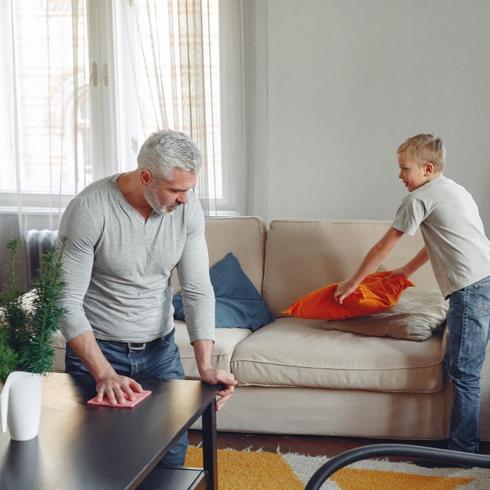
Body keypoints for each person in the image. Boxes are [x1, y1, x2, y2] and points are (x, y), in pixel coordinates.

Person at [57, 129, 237, 467]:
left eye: (189, 189)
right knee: (99, 462)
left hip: (160, 351)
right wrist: (104, 373)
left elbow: (197, 288)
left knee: (170, 455)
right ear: (145, 177)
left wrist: (205, 366)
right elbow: (66, 299)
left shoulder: (187, 208)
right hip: (99, 351)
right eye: (176, 190)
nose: (184, 198)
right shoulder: (90, 209)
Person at [334, 133, 490, 453]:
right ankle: (462, 446)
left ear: (427, 168)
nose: (400, 175)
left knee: (464, 373)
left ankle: (463, 452)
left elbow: (382, 247)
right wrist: (406, 270)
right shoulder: (455, 190)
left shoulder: (417, 198)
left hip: (472, 291)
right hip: (484, 281)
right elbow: (439, 242)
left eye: (405, 169)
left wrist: (352, 282)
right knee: (463, 368)